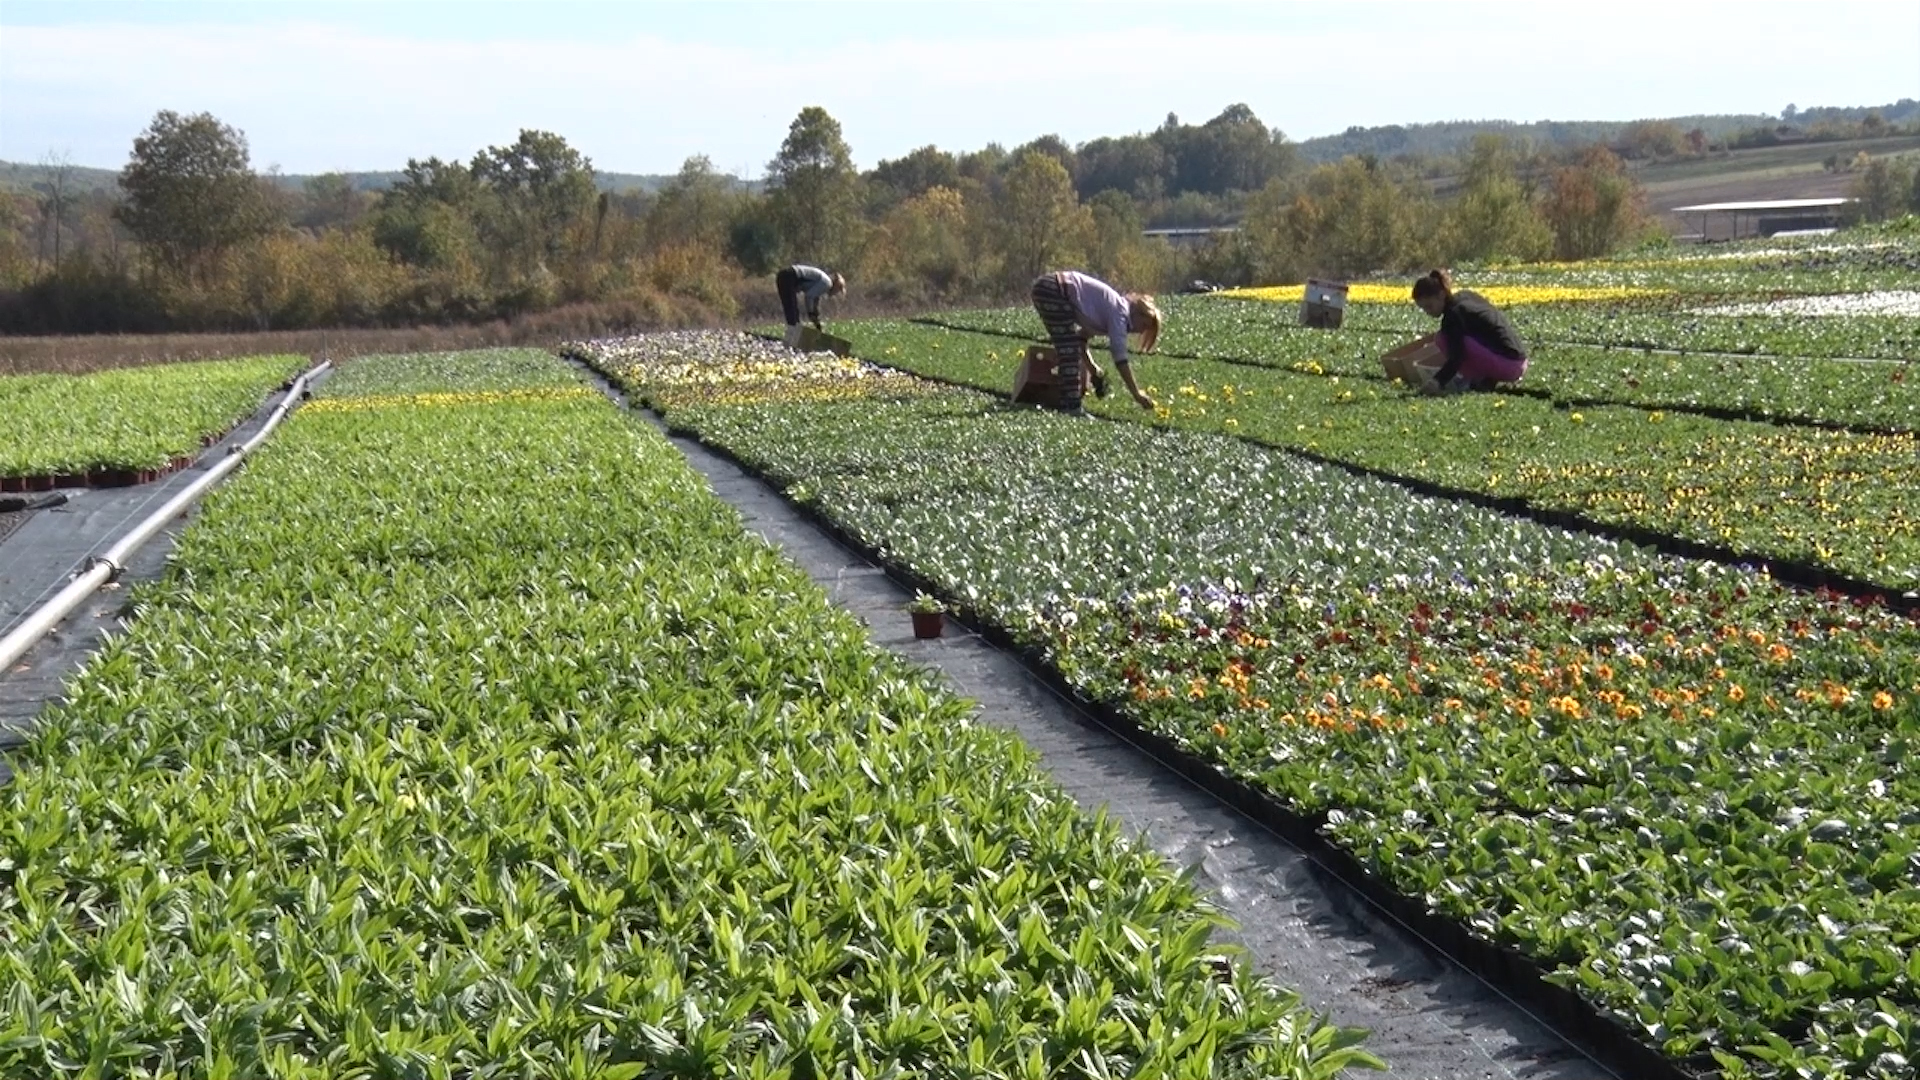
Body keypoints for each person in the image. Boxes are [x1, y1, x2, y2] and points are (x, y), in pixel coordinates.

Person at [1028, 270, 1161, 415]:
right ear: (1137, 313)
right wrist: (1136, 393)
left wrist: (1093, 369)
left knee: (1069, 347)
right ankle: (1072, 407)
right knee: (1069, 352)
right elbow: (1120, 358)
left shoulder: (1113, 310)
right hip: (1054, 290)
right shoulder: (1120, 315)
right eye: (1144, 325)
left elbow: (1081, 340)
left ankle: (1067, 400)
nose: (1141, 331)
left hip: (1048, 287)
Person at [1410, 269, 1529, 395]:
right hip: (1520, 361)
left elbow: (1457, 357)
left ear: (1441, 295)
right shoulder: (1467, 296)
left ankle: (1476, 379)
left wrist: (1437, 381)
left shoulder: (1453, 315)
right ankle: (1486, 380)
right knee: (1463, 338)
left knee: (1442, 339)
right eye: (1423, 309)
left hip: (1508, 366)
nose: (1427, 312)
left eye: (1429, 306)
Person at [775, 264, 846, 349]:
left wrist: (816, 321)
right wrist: (810, 312)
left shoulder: (824, 282)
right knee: (793, 314)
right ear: (836, 286)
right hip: (790, 276)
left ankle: (790, 344)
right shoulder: (827, 284)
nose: (835, 294)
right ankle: (792, 345)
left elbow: (815, 301)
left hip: (784, 275)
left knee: (791, 312)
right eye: (837, 291)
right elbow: (809, 296)